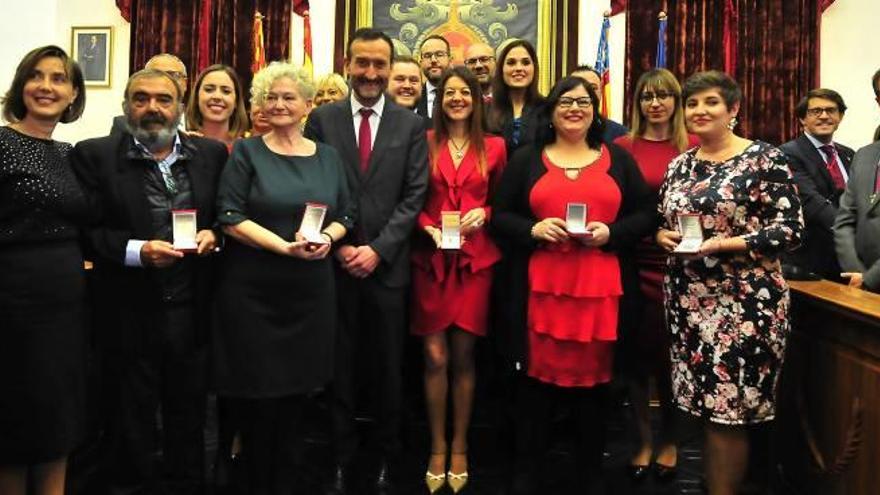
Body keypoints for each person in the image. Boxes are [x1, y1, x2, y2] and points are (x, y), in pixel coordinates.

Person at [492, 76, 655, 493]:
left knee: (596, 392)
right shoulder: (527, 158)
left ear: (594, 109)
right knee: (535, 391)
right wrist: (534, 228)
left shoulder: (616, 159)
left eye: (583, 101)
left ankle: (589, 475)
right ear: (551, 110)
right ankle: (527, 474)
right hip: (541, 293)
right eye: (565, 101)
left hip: (602, 293)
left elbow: (646, 215)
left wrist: (611, 233)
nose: (575, 108)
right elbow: (500, 217)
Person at [72, 68, 226, 495]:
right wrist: (138, 251)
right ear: (126, 105)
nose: (152, 108)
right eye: (141, 98)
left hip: (191, 311)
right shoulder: (94, 155)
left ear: (180, 107)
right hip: (128, 310)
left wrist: (215, 233)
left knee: (189, 419)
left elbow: (225, 216)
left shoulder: (211, 154)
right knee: (129, 423)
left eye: (163, 99)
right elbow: (87, 233)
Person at [655, 71, 803, 495]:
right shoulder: (680, 163)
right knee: (703, 408)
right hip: (687, 299)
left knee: (728, 410)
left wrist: (724, 243)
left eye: (710, 103)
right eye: (693, 103)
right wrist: (660, 235)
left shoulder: (764, 159)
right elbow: (666, 222)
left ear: (733, 110)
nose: (699, 111)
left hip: (743, 303)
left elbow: (790, 229)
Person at [213, 61, 354, 494]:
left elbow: (347, 213)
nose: (278, 104)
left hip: (310, 295)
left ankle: (287, 481)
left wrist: (328, 239)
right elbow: (230, 216)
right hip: (253, 295)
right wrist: (284, 247)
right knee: (257, 400)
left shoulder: (329, 157)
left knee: (298, 399)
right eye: (270, 97)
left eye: (288, 97)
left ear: (308, 105)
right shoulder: (247, 152)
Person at [304, 27, 429, 495]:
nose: (371, 73)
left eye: (380, 64)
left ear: (390, 65)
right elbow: (314, 187)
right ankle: (340, 455)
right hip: (332, 264)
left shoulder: (411, 125)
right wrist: (339, 245)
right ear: (347, 64)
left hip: (387, 268)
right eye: (363, 63)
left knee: (387, 368)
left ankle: (385, 456)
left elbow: (415, 195)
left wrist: (378, 249)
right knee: (338, 367)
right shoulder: (323, 120)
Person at [411, 66, 506, 494]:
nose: (456, 99)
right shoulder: (423, 142)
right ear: (439, 99)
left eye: (463, 92)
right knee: (434, 355)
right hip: (431, 259)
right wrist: (427, 225)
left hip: (475, 262)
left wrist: (483, 214)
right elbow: (408, 195)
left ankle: (461, 445)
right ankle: (436, 445)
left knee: (464, 355)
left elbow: (505, 202)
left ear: (476, 97)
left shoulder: (496, 147)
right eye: (448, 92)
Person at [0, 44, 86, 495]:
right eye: (37, 76)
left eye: (58, 79)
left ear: (73, 93)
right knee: (16, 423)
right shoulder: (1, 143)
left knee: (58, 417)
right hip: (12, 305)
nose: (46, 87)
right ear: (21, 85)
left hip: (66, 305)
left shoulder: (70, 153)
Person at [614, 68, 698, 482]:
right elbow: (616, 207)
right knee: (634, 361)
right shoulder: (620, 147)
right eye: (647, 96)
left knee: (672, 363)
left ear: (676, 101)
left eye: (664, 95)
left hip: (683, 268)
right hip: (632, 263)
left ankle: (671, 441)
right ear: (638, 104)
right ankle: (643, 441)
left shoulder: (695, 146)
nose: (656, 103)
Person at [779, 89, 853, 281]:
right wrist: (853, 234)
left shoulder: (849, 154)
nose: (824, 116)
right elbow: (812, 203)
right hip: (810, 263)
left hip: (847, 261)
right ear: (802, 119)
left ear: (841, 116)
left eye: (831, 110)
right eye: (816, 111)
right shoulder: (787, 154)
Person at [834, 139, 880, 293]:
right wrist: (856, 272)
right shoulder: (864, 154)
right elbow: (844, 220)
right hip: (858, 283)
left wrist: (870, 278)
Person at [487, 39, 544, 154]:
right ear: (501, 69)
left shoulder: (547, 110)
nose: (519, 68)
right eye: (511, 63)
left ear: (534, 68)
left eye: (526, 62)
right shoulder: (484, 111)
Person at [111, 53, 189, 135]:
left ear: (185, 83)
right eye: (155, 74)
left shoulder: (200, 123)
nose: (164, 81)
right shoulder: (123, 125)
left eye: (172, 75)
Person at [185, 64, 248, 151]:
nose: (217, 96)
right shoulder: (182, 146)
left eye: (226, 91)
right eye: (209, 90)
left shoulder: (246, 151)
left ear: (236, 102)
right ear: (196, 97)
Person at [572, 64, 629, 142]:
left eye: (593, 88)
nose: (586, 92)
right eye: (578, 87)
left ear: (601, 92)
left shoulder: (621, 134)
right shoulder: (556, 130)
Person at [416, 34, 451, 122]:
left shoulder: (462, 96)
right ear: (421, 62)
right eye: (427, 56)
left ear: (450, 60)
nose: (433, 60)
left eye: (439, 54)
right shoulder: (414, 97)